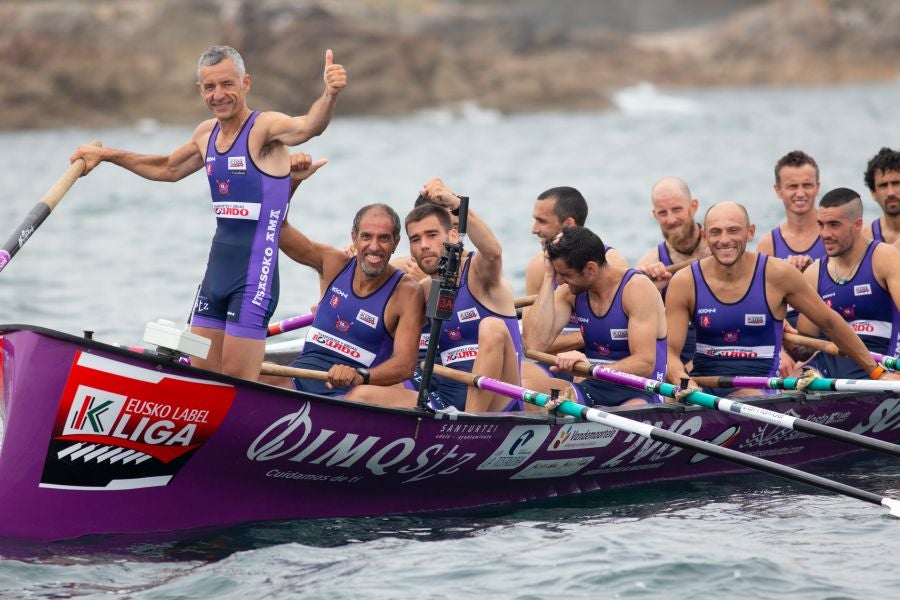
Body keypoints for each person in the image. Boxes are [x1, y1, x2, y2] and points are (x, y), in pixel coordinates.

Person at [69, 45, 347, 380]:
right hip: (214, 279)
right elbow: (167, 167)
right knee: (201, 379)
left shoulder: (264, 128)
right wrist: (108, 155)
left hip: (253, 280)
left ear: (245, 83)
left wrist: (329, 95)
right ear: (200, 90)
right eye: (210, 87)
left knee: (235, 383)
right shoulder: (205, 134)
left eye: (227, 84)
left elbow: (308, 126)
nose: (219, 95)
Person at [665, 201, 897, 397]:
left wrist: (876, 372)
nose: (724, 240)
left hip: (757, 388)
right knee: (672, 402)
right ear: (705, 236)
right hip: (701, 385)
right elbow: (670, 352)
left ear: (750, 232)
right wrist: (684, 382)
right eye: (715, 232)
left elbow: (831, 323)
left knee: (746, 397)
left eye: (733, 230)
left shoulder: (778, 275)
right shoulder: (685, 282)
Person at [349, 180, 522, 412]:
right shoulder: (425, 289)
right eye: (415, 239)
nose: (424, 245)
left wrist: (455, 203)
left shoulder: (481, 274)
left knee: (492, 327)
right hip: (445, 397)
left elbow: (493, 252)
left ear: (453, 235)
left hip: (498, 398)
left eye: (431, 235)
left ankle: (470, 422)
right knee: (361, 395)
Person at [277, 203, 424, 396]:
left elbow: (405, 365)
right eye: (366, 236)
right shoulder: (334, 263)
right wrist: (293, 182)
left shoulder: (406, 292)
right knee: (257, 373)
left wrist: (361, 375)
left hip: (347, 395)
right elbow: (278, 229)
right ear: (354, 238)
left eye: (384, 238)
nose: (374, 246)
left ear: (395, 243)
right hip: (297, 381)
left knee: (359, 396)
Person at [523, 226, 667, 408]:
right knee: (525, 390)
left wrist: (591, 369)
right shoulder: (570, 291)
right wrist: (549, 276)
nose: (560, 282)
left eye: (565, 274)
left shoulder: (636, 289)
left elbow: (644, 363)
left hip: (641, 391)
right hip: (592, 386)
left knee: (623, 415)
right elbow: (534, 345)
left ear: (590, 268)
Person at [795, 188, 900, 379]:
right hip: (831, 364)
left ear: (857, 225)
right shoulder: (813, 273)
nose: (825, 234)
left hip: (882, 364)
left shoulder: (884, 258)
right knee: (797, 378)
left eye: (834, 225)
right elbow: (803, 349)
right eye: (821, 224)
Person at [635, 177, 708, 368]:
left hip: (721, 354)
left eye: (677, 209)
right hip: (672, 362)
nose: (671, 219)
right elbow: (641, 336)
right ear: (654, 215)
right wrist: (652, 291)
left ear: (693, 207)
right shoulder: (648, 264)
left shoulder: (720, 250)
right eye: (662, 213)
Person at [756, 150, 826, 272]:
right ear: (778, 190)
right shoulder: (768, 246)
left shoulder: (835, 234)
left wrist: (813, 271)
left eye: (807, 185)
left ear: (817, 187)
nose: (800, 193)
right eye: (792, 186)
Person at [863, 147, 900, 249]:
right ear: (873, 193)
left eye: (896, 183)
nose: (890, 193)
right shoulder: (865, 239)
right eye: (883, 185)